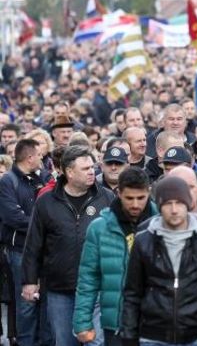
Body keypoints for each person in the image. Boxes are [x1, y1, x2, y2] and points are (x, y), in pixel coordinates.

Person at [120, 176, 197, 346]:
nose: (174, 210)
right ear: (159, 206)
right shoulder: (143, 240)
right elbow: (132, 293)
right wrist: (128, 337)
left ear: (188, 204)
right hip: (152, 335)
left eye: (179, 203)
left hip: (196, 335)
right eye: (167, 204)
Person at [22, 145, 113, 346]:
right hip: (59, 289)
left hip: (97, 289)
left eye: (92, 167)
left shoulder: (107, 198)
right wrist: (30, 280)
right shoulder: (47, 201)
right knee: (64, 342)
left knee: (96, 342)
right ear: (69, 172)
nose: (92, 172)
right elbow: (34, 243)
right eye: (86, 169)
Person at [73, 167, 158, 346]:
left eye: (141, 198)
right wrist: (82, 323)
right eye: (129, 198)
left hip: (155, 324)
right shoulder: (99, 228)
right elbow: (88, 278)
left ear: (148, 192)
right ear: (118, 193)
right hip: (116, 324)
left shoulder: (162, 225)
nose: (135, 204)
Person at [0, 138, 47, 345]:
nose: (42, 158)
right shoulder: (8, 181)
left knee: (42, 304)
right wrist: (44, 224)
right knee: (26, 305)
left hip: (43, 251)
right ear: (29, 157)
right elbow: (13, 218)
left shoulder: (41, 178)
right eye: (39, 155)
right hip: (19, 250)